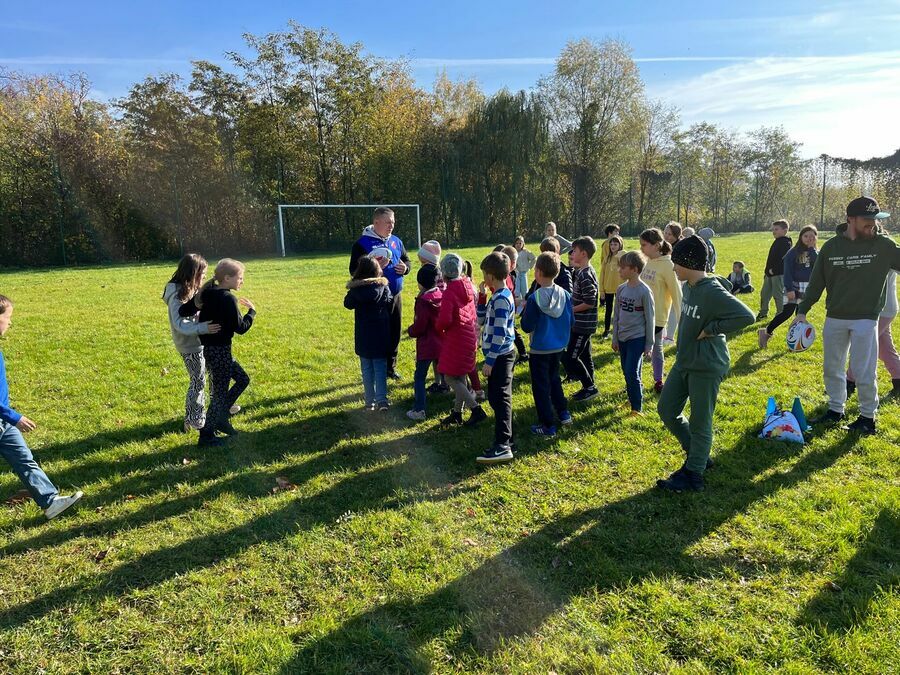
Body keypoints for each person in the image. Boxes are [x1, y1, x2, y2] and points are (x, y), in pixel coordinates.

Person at [656, 236, 754, 492]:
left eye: (677, 262)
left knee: (701, 422)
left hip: (707, 365)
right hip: (684, 361)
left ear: (688, 262)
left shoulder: (711, 290)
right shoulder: (688, 284)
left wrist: (713, 328)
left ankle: (693, 475)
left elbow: (747, 316)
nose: (674, 268)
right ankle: (698, 456)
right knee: (667, 410)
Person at [795, 197, 900, 435]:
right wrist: (801, 312)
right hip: (835, 317)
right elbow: (816, 283)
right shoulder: (831, 248)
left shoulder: (884, 246)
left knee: (864, 370)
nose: (872, 224)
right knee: (832, 367)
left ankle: (867, 417)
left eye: (875, 219)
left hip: (866, 318)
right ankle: (835, 409)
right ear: (850, 219)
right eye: (866, 219)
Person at [0, 295, 83, 519]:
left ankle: (50, 502)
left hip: (4, 422)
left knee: (24, 459)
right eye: (7, 318)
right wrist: (14, 417)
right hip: (6, 418)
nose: (10, 323)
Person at [185, 259, 256, 446]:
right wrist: (252, 312)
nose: (242, 281)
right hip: (220, 351)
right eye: (240, 278)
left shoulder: (208, 292)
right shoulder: (227, 298)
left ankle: (221, 418)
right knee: (219, 394)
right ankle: (206, 436)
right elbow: (240, 328)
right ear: (227, 278)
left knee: (242, 379)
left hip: (212, 350)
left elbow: (186, 310)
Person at [349, 207, 411, 379]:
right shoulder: (362, 244)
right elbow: (354, 271)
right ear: (376, 222)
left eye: (393, 222)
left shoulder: (396, 241)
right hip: (375, 297)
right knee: (379, 334)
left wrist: (405, 268)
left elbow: (407, 259)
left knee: (394, 332)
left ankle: (390, 368)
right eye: (388, 222)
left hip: (395, 295)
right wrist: (376, 270)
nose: (391, 225)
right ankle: (377, 370)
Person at [163, 254, 221, 433]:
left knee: (213, 372)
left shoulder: (191, 287)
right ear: (193, 273)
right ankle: (193, 418)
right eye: (202, 273)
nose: (204, 276)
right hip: (189, 345)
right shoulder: (176, 294)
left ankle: (219, 406)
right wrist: (203, 327)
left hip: (201, 340)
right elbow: (180, 323)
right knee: (198, 379)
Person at [520, 252, 574, 437]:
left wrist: (526, 309)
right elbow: (571, 320)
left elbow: (526, 326)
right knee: (554, 379)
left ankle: (547, 425)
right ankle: (564, 413)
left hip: (540, 349)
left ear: (538, 272)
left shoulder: (534, 299)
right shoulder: (565, 294)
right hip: (559, 347)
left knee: (541, 387)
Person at [476, 251, 517, 464]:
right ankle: (508, 438)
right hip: (498, 354)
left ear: (491, 275)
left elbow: (500, 333)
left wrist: (490, 361)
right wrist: (482, 298)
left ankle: (503, 445)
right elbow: (482, 319)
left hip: (501, 356)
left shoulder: (502, 299)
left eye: (484, 274)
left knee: (500, 398)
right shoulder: (497, 295)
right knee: (496, 397)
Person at [436, 254, 485, 427]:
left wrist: (438, 326)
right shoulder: (466, 285)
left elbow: (445, 320)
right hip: (469, 336)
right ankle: (457, 413)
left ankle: (476, 409)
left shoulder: (449, 291)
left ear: (444, 273)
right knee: (461, 376)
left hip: (457, 339)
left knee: (450, 377)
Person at [344, 256, 393, 413]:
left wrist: (354, 284)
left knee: (366, 369)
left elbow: (347, 303)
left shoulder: (356, 290)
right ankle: (382, 400)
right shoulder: (383, 287)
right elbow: (389, 300)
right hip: (380, 334)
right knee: (380, 367)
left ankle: (369, 402)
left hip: (364, 335)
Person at [758, 225, 818, 348]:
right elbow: (788, 273)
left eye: (812, 236)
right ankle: (766, 332)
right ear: (801, 237)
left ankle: (795, 341)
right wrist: (789, 289)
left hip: (807, 287)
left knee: (800, 314)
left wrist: (812, 249)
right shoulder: (793, 252)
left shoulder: (815, 253)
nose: (808, 239)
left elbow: (817, 266)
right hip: (794, 287)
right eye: (806, 236)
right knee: (787, 313)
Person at [639, 228, 682, 393]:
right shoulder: (648, 261)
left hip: (657, 317)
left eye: (644, 245)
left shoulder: (668, 265)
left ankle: (658, 381)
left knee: (656, 348)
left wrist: (682, 321)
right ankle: (637, 381)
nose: (641, 248)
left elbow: (677, 295)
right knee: (638, 348)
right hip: (640, 315)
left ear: (657, 245)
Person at [613, 252, 655, 415]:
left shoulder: (644, 291)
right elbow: (616, 315)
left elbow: (650, 319)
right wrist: (615, 337)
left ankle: (637, 408)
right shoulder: (621, 289)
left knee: (631, 371)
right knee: (627, 370)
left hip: (637, 338)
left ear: (635, 269)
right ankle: (631, 398)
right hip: (622, 338)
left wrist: (649, 344)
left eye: (623, 268)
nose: (619, 270)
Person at [848, 268, 900, 399]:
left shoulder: (889, 249)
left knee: (862, 345)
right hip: (875, 309)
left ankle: (849, 382)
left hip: (882, 309)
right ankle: (898, 379)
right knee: (885, 348)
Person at [406, 265, 443, 421]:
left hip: (427, 344)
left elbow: (420, 326)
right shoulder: (441, 294)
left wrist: (410, 331)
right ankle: (452, 390)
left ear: (420, 283)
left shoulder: (423, 302)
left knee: (420, 376)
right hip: (441, 342)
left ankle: (419, 409)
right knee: (447, 371)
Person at [565, 237, 600, 401]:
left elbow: (590, 302)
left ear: (584, 253)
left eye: (575, 251)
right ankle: (590, 387)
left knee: (570, 358)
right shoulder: (582, 271)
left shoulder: (586, 275)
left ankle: (589, 387)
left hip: (582, 325)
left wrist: (572, 310)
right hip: (580, 324)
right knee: (585, 356)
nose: (572, 253)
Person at [417, 240, 449, 394]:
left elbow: (440, 296)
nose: (420, 262)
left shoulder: (435, 275)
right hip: (436, 324)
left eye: (422, 260)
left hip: (435, 323)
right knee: (438, 357)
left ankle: (443, 383)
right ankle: (440, 382)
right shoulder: (432, 272)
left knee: (439, 358)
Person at [757, 219, 793, 320]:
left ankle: (780, 314)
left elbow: (784, 259)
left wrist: (774, 270)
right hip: (769, 274)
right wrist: (767, 271)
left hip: (778, 274)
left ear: (785, 230)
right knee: (765, 294)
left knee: (778, 295)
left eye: (776, 229)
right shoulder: (777, 241)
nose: (774, 231)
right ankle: (763, 313)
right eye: (773, 229)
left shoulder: (786, 242)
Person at [599, 235, 625, 339]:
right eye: (611, 244)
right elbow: (602, 275)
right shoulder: (607, 258)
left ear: (620, 245)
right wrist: (601, 290)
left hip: (621, 288)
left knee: (619, 311)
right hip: (608, 288)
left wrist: (619, 254)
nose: (613, 246)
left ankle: (619, 330)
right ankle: (606, 330)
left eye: (615, 244)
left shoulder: (623, 256)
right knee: (608, 310)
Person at [663, 222, 684, 343]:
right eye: (665, 233)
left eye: (669, 234)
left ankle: (670, 337)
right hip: (665, 278)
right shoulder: (663, 245)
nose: (666, 236)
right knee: (665, 304)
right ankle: (663, 332)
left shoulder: (679, 247)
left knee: (674, 307)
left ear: (677, 235)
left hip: (678, 279)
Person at [513, 236, 537, 303]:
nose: (518, 245)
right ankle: (517, 301)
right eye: (517, 243)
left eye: (520, 243)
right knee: (516, 288)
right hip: (516, 273)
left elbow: (534, 258)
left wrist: (529, 267)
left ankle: (524, 301)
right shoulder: (513, 252)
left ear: (523, 244)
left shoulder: (526, 252)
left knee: (524, 288)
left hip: (523, 273)